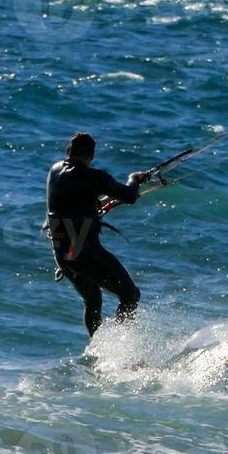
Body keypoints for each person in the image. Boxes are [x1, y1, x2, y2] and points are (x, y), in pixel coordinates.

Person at [45, 133, 152, 337]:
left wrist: (96, 206)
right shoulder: (95, 177)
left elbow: (70, 203)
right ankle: (119, 348)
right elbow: (129, 196)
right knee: (131, 296)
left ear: (68, 152)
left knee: (93, 299)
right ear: (92, 156)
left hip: (62, 254)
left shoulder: (55, 170)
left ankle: (96, 349)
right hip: (84, 253)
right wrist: (134, 179)